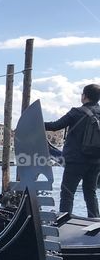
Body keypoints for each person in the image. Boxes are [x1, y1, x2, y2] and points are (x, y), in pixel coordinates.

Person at [45, 83, 100, 217]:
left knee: (67, 193)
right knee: (90, 192)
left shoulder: (76, 112)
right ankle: (95, 222)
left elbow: (55, 126)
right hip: (96, 161)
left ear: (84, 96)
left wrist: (36, 123)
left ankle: (64, 221)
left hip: (76, 160)